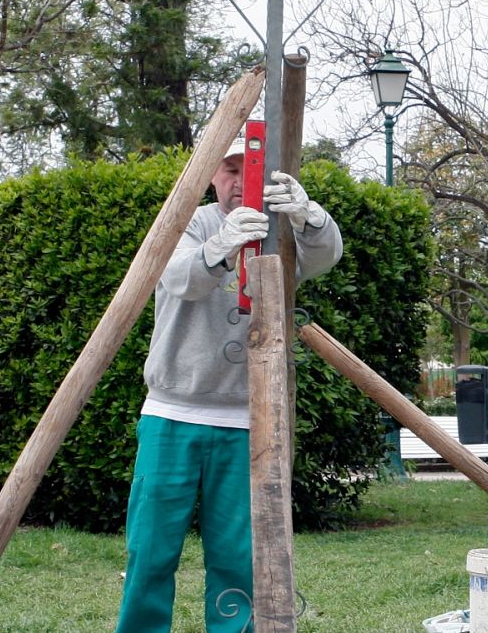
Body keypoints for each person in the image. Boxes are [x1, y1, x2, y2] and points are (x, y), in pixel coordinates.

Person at [116, 132, 342, 633]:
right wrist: (222, 244)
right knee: (150, 552)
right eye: (230, 169)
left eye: (250, 169)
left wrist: (309, 217)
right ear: (213, 175)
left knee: (238, 558)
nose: (241, 181)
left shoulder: (279, 233)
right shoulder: (187, 223)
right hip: (172, 414)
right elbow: (179, 278)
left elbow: (325, 256)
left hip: (247, 418)